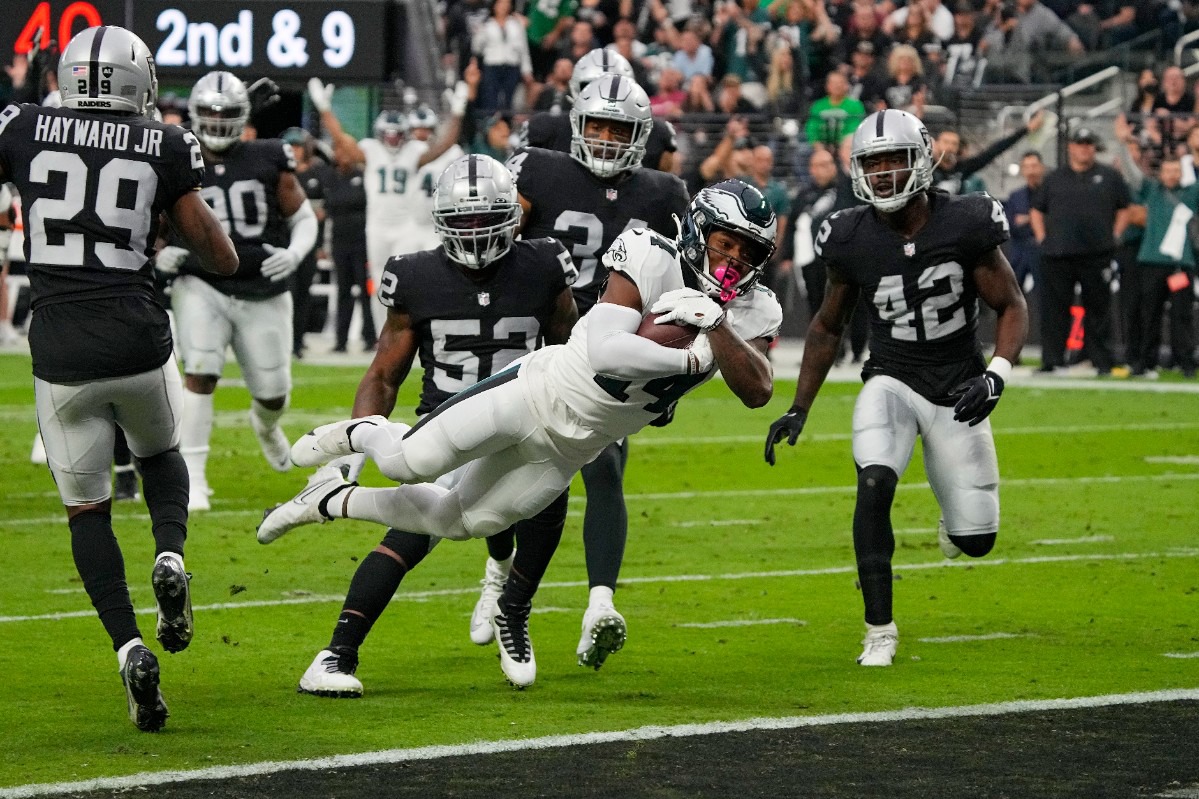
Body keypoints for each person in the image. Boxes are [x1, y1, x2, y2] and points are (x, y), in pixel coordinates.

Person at [258, 178, 781, 687]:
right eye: (725, 243)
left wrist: (716, 323)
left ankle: (329, 502)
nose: (733, 260)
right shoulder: (650, 252)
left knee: (460, 521)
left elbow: (757, 388)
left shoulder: (755, 310)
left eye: (748, 253)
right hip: (535, 394)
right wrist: (688, 360)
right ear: (698, 230)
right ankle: (360, 432)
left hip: (571, 448)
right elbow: (604, 351)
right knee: (405, 463)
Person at [0, 25, 237, 730]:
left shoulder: (23, 125)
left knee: (87, 510)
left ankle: (129, 644)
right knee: (161, 455)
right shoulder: (163, 141)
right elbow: (219, 256)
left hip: (60, 343)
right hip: (136, 333)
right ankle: (169, 550)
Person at [286, 154, 579, 694]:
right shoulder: (414, 275)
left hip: (524, 425)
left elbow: (568, 347)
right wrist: (353, 450)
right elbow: (385, 374)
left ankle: (513, 609)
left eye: (484, 218)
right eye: (461, 221)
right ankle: (334, 656)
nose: (473, 232)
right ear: (441, 221)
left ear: (511, 215)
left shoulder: (543, 264)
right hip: (446, 430)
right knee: (406, 539)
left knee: (551, 490)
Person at [764, 109, 1028, 667]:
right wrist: (799, 407)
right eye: (872, 164)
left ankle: (950, 504)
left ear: (922, 160)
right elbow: (827, 327)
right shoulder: (849, 234)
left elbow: (1011, 305)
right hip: (892, 380)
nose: (883, 174)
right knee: (875, 480)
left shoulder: (965, 222)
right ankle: (879, 630)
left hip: (960, 389)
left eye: (893, 161)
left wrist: (996, 374)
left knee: (976, 539)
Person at [497, 73, 691, 670]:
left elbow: (681, 282)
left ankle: (599, 603)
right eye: (598, 126)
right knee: (505, 464)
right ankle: (497, 572)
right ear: (578, 126)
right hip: (544, 334)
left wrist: (667, 365)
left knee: (605, 466)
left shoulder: (664, 192)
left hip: (614, 347)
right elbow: (498, 243)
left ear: (642, 136)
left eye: (620, 130)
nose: (606, 140)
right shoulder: (540, 171)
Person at [155, 71, 318, 511]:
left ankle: (265, 426)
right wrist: (159, 253)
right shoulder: (175, 153)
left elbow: (304, 218)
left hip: (262, 288)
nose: (217, 120)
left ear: (243, 116)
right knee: (201, 369)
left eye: (226, 112)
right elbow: (148, 216)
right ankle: (194, 477)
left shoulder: (268, 155)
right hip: (201, 280)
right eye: (209, 112)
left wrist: (296, 254)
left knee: (273, 392)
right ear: (195, 113)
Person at [307, 64, 477, 334]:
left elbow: (443, 146)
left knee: (409, 282)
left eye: (397, 134)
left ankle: (414, 332)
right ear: (380, 133)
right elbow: (341, 141)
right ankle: (382, 336)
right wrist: (324, 108)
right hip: (376, 227)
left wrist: (457, 111)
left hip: (405, 228)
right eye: (389, 133)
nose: (393, 139)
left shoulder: (414, 152)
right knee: (379, 282)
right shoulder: (371, 150)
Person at [1030, 126, 1131, 376]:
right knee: (1055, 311)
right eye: (1080, 143)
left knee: (1099, 310)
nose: (1084, 147)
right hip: (1058, 254)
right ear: (1070, 147)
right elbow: (1037, 210)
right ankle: (1052, 360)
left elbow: (1125, 208)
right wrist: (1043, 238)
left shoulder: (1110, 176)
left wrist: (1116, 234)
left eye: (1088, 143)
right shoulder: (1054, 178)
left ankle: (1101, 361)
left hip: (1097, 254)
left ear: (1094, 147)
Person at [1113, 124, 1198, 379]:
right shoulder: (1151, 190)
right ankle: (1145, 362)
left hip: (1181, 263)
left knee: (1182, 316)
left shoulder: (1192, 193)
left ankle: (1186, 363)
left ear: (1182, 173)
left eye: (1176, 171)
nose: (1171, 175)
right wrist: (1123, 144)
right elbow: (1131, 172)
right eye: (1167, 170)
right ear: (1161, 173)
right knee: (1149, 314)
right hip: (1151, 262)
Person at [521, 48, 679, 173]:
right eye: (592, 86)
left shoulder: (656, 132)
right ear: (576, 88)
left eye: (614, 87)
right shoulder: (545, 127)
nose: (603, 95)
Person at [280, 127, 327, 359]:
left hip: (308, 244)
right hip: (284, 242)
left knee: (303, 294)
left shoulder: (317, 173)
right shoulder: (280, 173)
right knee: (285, 293)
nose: (296, 152)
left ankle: (298, 341)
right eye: (292, 147)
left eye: (299, 147)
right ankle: (284, 340)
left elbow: (328, 206)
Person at [931, 110, 1044, 195]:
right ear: (937, 143)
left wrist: (1026, 129)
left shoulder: (962, 167)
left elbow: (994, 151)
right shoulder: (926, 166)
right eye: (946, 142)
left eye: (954, 143)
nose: (950, 147)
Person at [1003, 150, 1044, 294]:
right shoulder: (1016, 196)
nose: (1031, 170)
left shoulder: (1050, 194)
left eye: (1034, 165)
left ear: (1041, 167)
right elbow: (1011, 224)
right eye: (1027, 166)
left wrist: (1027, 219)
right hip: (1020, 252)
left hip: (1043, 252)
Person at [806, 71, 867, 149]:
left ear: (846, 85)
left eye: (841, 83)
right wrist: (818, 147)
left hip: (847, 147)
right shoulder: (817, 106)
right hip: (820, 147)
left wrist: (842, 146)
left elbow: (854, 129)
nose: (837, 86)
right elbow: (811, 129)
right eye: (833, 83)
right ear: (827, 86)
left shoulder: (855, 105)